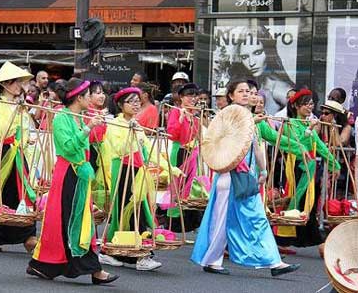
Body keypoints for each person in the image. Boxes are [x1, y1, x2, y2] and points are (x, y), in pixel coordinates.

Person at [191, 80, 300, 276]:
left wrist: (264, 171)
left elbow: (256, 147)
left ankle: (273, 261)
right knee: (223, 218)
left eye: (249, 91)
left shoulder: (250, 118)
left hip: (245, 176)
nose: (246, 94)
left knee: (256, 217)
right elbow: (216, 143)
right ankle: (211, 259)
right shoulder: (227, 116)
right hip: (228, 175)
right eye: (241, 91)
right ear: (231, 96)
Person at [28, 78, 119, 285]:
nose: (92, 99)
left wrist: (98, 123)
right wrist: (88, 128)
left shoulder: (80, 117)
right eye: (89, 95)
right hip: (68, 173)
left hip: (80, 173)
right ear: (79, 97)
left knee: (77, 219)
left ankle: (44, 266)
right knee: (70, 220)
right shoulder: (61, 118)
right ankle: (94, 270)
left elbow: (91, 142)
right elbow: (68, 148)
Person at [99, 87, 183, 271]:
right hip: (122, 170)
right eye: (131, 101)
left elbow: (148, 151)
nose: (136, 105)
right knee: (125, 212)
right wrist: (131, 132)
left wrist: (171, 168)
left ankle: (119, 252)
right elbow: (120, 149)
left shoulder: (136, 125)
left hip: (138, 171)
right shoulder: (115, 124)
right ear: (121, 105)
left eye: (138, 101)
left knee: (138, 209)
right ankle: (137, 255)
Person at [0, 62, 37, 253]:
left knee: (22, 191)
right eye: (16, 82)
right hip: (2, 154)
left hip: (18, 153)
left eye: (21, 82)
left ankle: (28, 234)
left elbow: (25, 128)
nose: (20, 86)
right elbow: (2, 131)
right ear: (5, 85)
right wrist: (16, 111)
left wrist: (27, 139)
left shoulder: (21, 106)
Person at [276, 89, 340, 249]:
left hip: (310, 168)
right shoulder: (289, 124)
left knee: (308, 203)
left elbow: (320, 147)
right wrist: (310, 130)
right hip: (297, 170)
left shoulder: (308, 123)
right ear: (296, 106)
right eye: (306, 104)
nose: (310, 107)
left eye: (311, 104)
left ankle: (307, 238)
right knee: (296, 202)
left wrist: (335, 164)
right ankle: (282, 239)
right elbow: (297, 144)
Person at [166, 83, 203, 232]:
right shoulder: (175, 112)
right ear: (181, 97)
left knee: (191, 185)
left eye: (194, 95)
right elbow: (172, 134)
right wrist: (181, 118)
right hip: (180, 150)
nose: (192, 98)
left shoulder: (195, 115)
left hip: (192, 152)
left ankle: (190, 220)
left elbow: (198, 135)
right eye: (189, 95)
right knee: (178, 185)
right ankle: (175, 220)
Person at [236, 26, 295, 114]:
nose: (251, 63)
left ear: (268, 52)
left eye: (257, 53)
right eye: (245, 57)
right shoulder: (252, 85)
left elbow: (297, 113)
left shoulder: (277, 88)